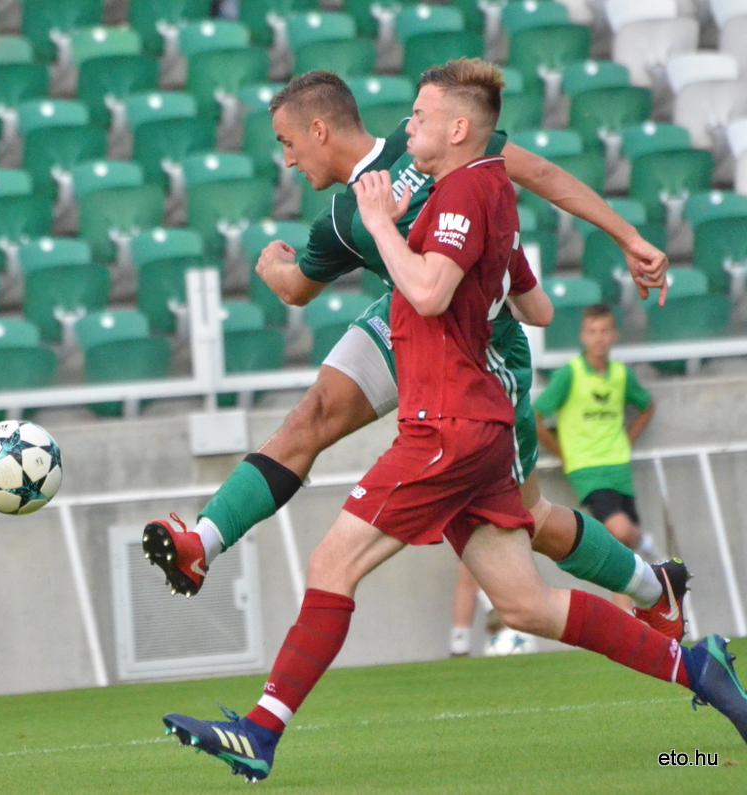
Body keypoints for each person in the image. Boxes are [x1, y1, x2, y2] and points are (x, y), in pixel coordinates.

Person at [159, 61, 747, 783]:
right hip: (465, 409)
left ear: (457, 130)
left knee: (333, 562)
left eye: (418, 116)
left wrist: (396, 232)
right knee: (525, 602)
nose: (408, 125)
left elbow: (439, 289)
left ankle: (261, 729)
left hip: (455, 413)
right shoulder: (455, 189)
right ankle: (698, 665)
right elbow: (529, 303)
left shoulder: (466, 182)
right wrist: (478, 273)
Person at [142, 69, 687, 642]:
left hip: (483, 351)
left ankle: (654, 586)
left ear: (320, 130)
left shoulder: (435, 141)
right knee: (312, 414)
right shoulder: (339, 221)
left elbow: (543, 174)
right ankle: (200, 542)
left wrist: (630, 238)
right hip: (408, 320)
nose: (288, 161)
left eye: (288, 143)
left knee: (530, 518)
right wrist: (274, 264)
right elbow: (297, 289)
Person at [535, 303, 658, 607]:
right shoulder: (570, 373)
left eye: (605, 331)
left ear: (615, 335)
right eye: (592, 332)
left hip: (618, 465)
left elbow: (647, 405)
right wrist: (563, 452)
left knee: (622, 552)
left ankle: (627, 617)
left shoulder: (620, 374)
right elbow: (536, 415)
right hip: (586, 468)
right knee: (621, 531)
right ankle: (648, 544)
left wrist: (627, 440)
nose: (599, 338)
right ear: (583, 336)